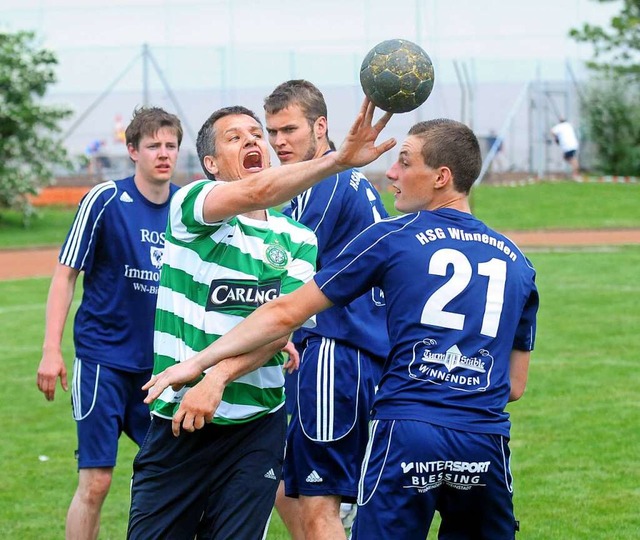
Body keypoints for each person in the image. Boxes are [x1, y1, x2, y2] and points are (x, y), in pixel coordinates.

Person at [144, 118, 540, 539]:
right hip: (484, 442)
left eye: (404, 163)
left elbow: (284, 314)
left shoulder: (392, 237)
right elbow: (514, 386)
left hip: (409, 433)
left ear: (441, 177)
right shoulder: (519, 262)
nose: (391, 172)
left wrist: (202, 364)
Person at [126, 99, 395, 540]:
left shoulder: (296, 237)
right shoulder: (193, 205)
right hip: (181, 419)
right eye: (235, 137)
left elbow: (279, 323)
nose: (253, 140)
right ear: (210, 164)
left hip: (256, 427)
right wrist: (338, 161)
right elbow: (256, 193)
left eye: (256, 134)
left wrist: (216, 377)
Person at [36, 106, 183, 540]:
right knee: (97, 482)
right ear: (132, 150)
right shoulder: (104, 200)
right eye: (153, 145)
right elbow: (65, 275)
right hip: (103, 362)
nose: (163, 154)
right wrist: (50, 350)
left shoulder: (185, 209)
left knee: (170, 477)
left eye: (170, 145)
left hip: (158, 373)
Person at [263, 80, 389, 540]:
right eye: (272, 131)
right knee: (280, 481)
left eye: (289, 130)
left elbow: (276, 275)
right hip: (338, 354)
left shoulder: (329, 184)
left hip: (336, 354)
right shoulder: (322, 182)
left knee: (321, 507)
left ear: (321, 126)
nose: (279, 142)